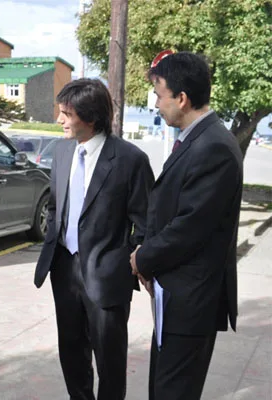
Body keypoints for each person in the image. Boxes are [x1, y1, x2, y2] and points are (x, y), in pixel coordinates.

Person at [130, 52, 243, 400]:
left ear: (182, 98)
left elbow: (189, 227)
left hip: (192, 300)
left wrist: (142, 258)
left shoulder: (214, 147)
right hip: (176, 296)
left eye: (160, 95)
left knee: (173, 391)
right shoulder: (197, 139)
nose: (156, 105)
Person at [34, 78, 154, 400]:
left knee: (110, 360)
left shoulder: (130, 160)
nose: (59, 120)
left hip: (107, 276)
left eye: (66, 114)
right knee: (71, 352)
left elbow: (145, 222)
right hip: (63, 268)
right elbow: (57, 206)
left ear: (91, 117)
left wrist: (125, 259)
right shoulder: (61, 152)